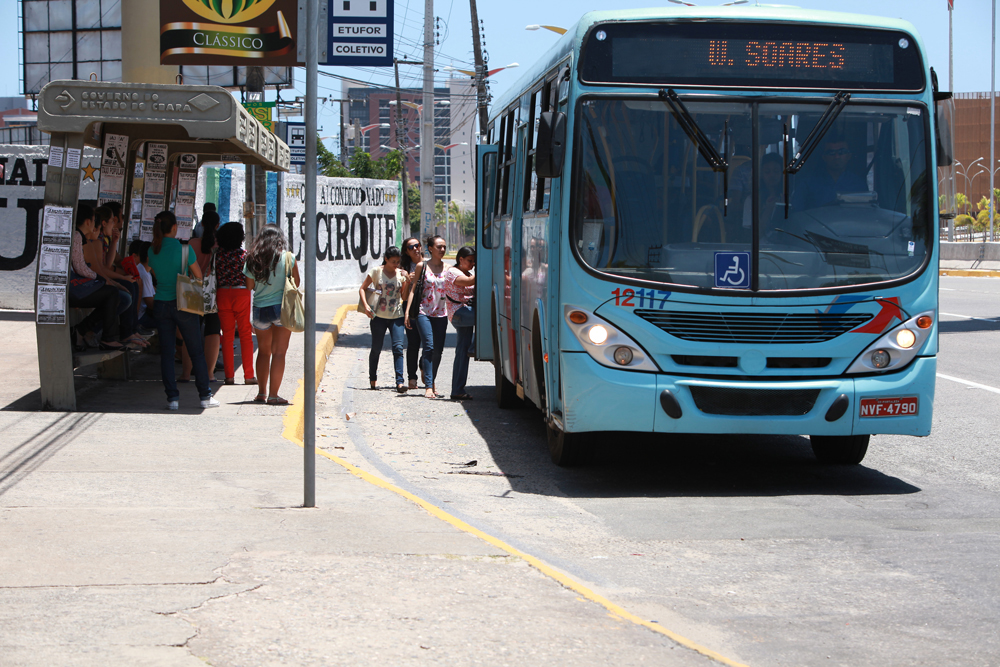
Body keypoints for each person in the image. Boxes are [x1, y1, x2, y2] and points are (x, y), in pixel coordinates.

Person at [147, 210, 219, 411]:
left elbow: (152, 272)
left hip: (160, 303)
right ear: (174, 228)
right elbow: (198, 275)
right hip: (184, 304)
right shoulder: (185, 250)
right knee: (196, 349)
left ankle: (172, 399)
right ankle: (205, 395)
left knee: (167, 353)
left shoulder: (152, 251)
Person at [243, 225, 299, 406]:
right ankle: (274, 395)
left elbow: (249, 286)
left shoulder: (251, 259)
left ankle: (261, 393)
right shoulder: (288, 258)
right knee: (279, 352)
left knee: (263, 352)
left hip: (260, 310)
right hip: (281, 309)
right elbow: (296, 283)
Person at [69, 205, 124, 351]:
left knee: (112, 295)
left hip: (77, 286)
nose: (95, 224)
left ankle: (81, 330)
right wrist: (98, 279)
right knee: (112, 294)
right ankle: (108, 338)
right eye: (94, 221)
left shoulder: (79, 236)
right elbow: (80, 267)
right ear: (88, 222)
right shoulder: (76, 236)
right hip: (73, 289)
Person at [88, 205, 141, 346]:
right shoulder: (96, 239)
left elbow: (110, 262)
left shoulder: (105, 239)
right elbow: (103, 268)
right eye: (112, 221)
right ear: (104, 223)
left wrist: (115, 241)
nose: (114, 224)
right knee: (124, 291)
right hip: (93, 282)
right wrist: (122, 278)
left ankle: (129, 330)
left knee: (130, 286)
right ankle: (122, 332)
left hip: (99, 279)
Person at [404, 235, 449, 399]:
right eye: (439, 247)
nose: (442, 250)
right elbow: (413, 289)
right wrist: (408, 312)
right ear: (430, 249)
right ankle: (429, 386)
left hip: (441, 314)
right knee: (428, 347)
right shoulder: (421, 266)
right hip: (424, 312)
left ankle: (431, 378)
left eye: (444, 247)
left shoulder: (448, 269)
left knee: (438, 351)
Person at [359, 246, 409, 392]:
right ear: (386, 259)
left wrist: (406, 281)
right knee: (376, 349)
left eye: (398, 262)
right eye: (393, 261)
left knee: (398, 348)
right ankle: (373, 378)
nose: (396, 265)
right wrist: (366, 305)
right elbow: (362, 288)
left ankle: (400, 382)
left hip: (396, 315)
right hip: (378, 317)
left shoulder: (401, 274)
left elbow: (403, 297)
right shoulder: (376, 271)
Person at [215, 222, 256, 386]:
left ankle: (229, 376)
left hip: (223, 293)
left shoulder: (218, 255)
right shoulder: (245, 255)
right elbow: (250, 279)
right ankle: (248, 375)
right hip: (241, 294)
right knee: (245, 334)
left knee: (227, 335)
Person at [791, 136, 869, 211]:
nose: (837, 156)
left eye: (842, 152)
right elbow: (797, 213)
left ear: (849, 156)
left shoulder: (859, 184)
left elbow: (865, 213)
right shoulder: (807, 183)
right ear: (824, 157)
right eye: (831, 152)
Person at [190, 211, 222, 381]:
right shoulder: (220, 245)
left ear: (201, 225)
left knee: (192, 331)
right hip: (213, 293)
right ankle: (209, 373)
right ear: (217, 226)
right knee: (212, 330)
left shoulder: (191, 244)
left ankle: (186, 373)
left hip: (192, 292)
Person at [445, 246, 476, 400]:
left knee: (462, 355)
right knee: (487, 318)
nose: (472, 264)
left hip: (466, 313)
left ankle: (457, 389)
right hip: (459, 313)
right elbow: (470, 281)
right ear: (460, 259)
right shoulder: (452, 272)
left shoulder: (468, 272)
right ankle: (476, 345)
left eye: (474, 262)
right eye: (470, 261)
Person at [399, 236, 423, 390]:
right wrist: (408, 280)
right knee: (413, 344)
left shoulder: (429, 264)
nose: (415, 248)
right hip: (411, 308)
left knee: (430, 344)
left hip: (430, 308)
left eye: (417, 245)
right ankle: (412, 378)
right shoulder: (404, 270)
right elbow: (403, 296)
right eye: (411, 247)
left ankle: (424, 366)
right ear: (406, 252)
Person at [743, 153, 786, 233]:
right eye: (767, 172)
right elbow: (754, 236)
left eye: (776, 171)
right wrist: (768, 210)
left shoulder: (791, 197)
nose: (772, 175)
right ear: (761, 174)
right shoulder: (751, 200)